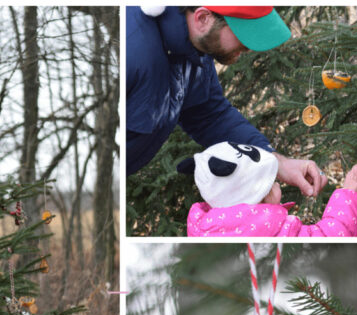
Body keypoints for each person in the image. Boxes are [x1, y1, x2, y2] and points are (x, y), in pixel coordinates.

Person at [127, 6, 328, 197]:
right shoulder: (131, 51)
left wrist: (276, 163)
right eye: (243, 33)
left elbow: (211, 116)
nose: (248, 47)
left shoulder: (196, 51)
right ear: (203, 18)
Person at [183, 141, 357, 237]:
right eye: (273, 182)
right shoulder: (275, 231)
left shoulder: (206, 228)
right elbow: (331, 237)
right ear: (261, 199)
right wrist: (348, 195)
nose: (279, 182)